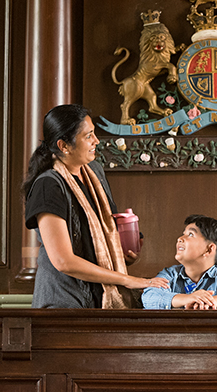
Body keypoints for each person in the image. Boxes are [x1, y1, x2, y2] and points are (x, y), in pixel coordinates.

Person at [23, 104, 169, 309]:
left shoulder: (94, 172)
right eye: (88, 136)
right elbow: (63, 260)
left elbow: (102, 232)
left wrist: (123, 250)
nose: (96, 141)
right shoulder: (49, 185)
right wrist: (127, 280)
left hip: (99, 301)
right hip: (63, 304)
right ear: (64, 146)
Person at [141, 215, 217, 310]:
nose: (180, 238)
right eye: (183, 233)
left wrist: (212, 301)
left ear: (209, 249)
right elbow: (149, 297)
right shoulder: (170, 274)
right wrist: (188, 299)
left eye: (190, 234)